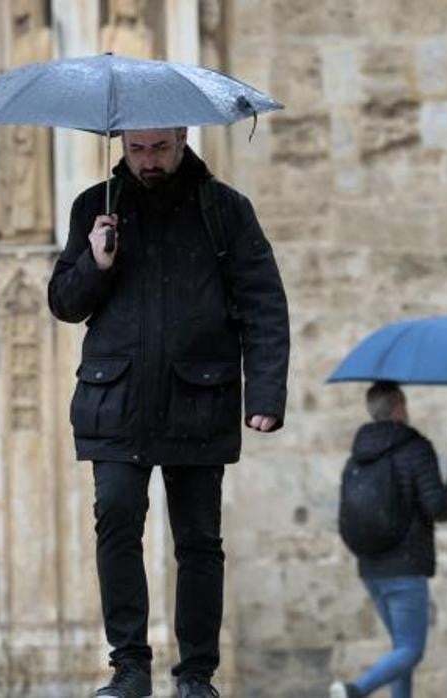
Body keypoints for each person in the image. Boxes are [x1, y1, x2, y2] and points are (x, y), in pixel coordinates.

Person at [48, 128, 290, 698]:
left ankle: (197, 674)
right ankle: (129, 667)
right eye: (137, 149)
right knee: (116, 517)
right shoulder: (94, 207)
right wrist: (95, 262)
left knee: (200, 539)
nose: (148, 161)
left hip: (198, 397)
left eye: (159, 148)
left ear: (182, 138)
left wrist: (265, 397)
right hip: (117, 399)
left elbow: (264, 304)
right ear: (124, 143)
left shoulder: (224, 210)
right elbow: (64, 302)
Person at [329, 382, 447, 698]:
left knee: (400, 652)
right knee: (410, 651)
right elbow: (436, 507)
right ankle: (354, 690)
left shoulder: (357, 455)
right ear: (399, 405)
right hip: (406, 565)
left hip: (371, 568)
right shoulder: (416, 448)